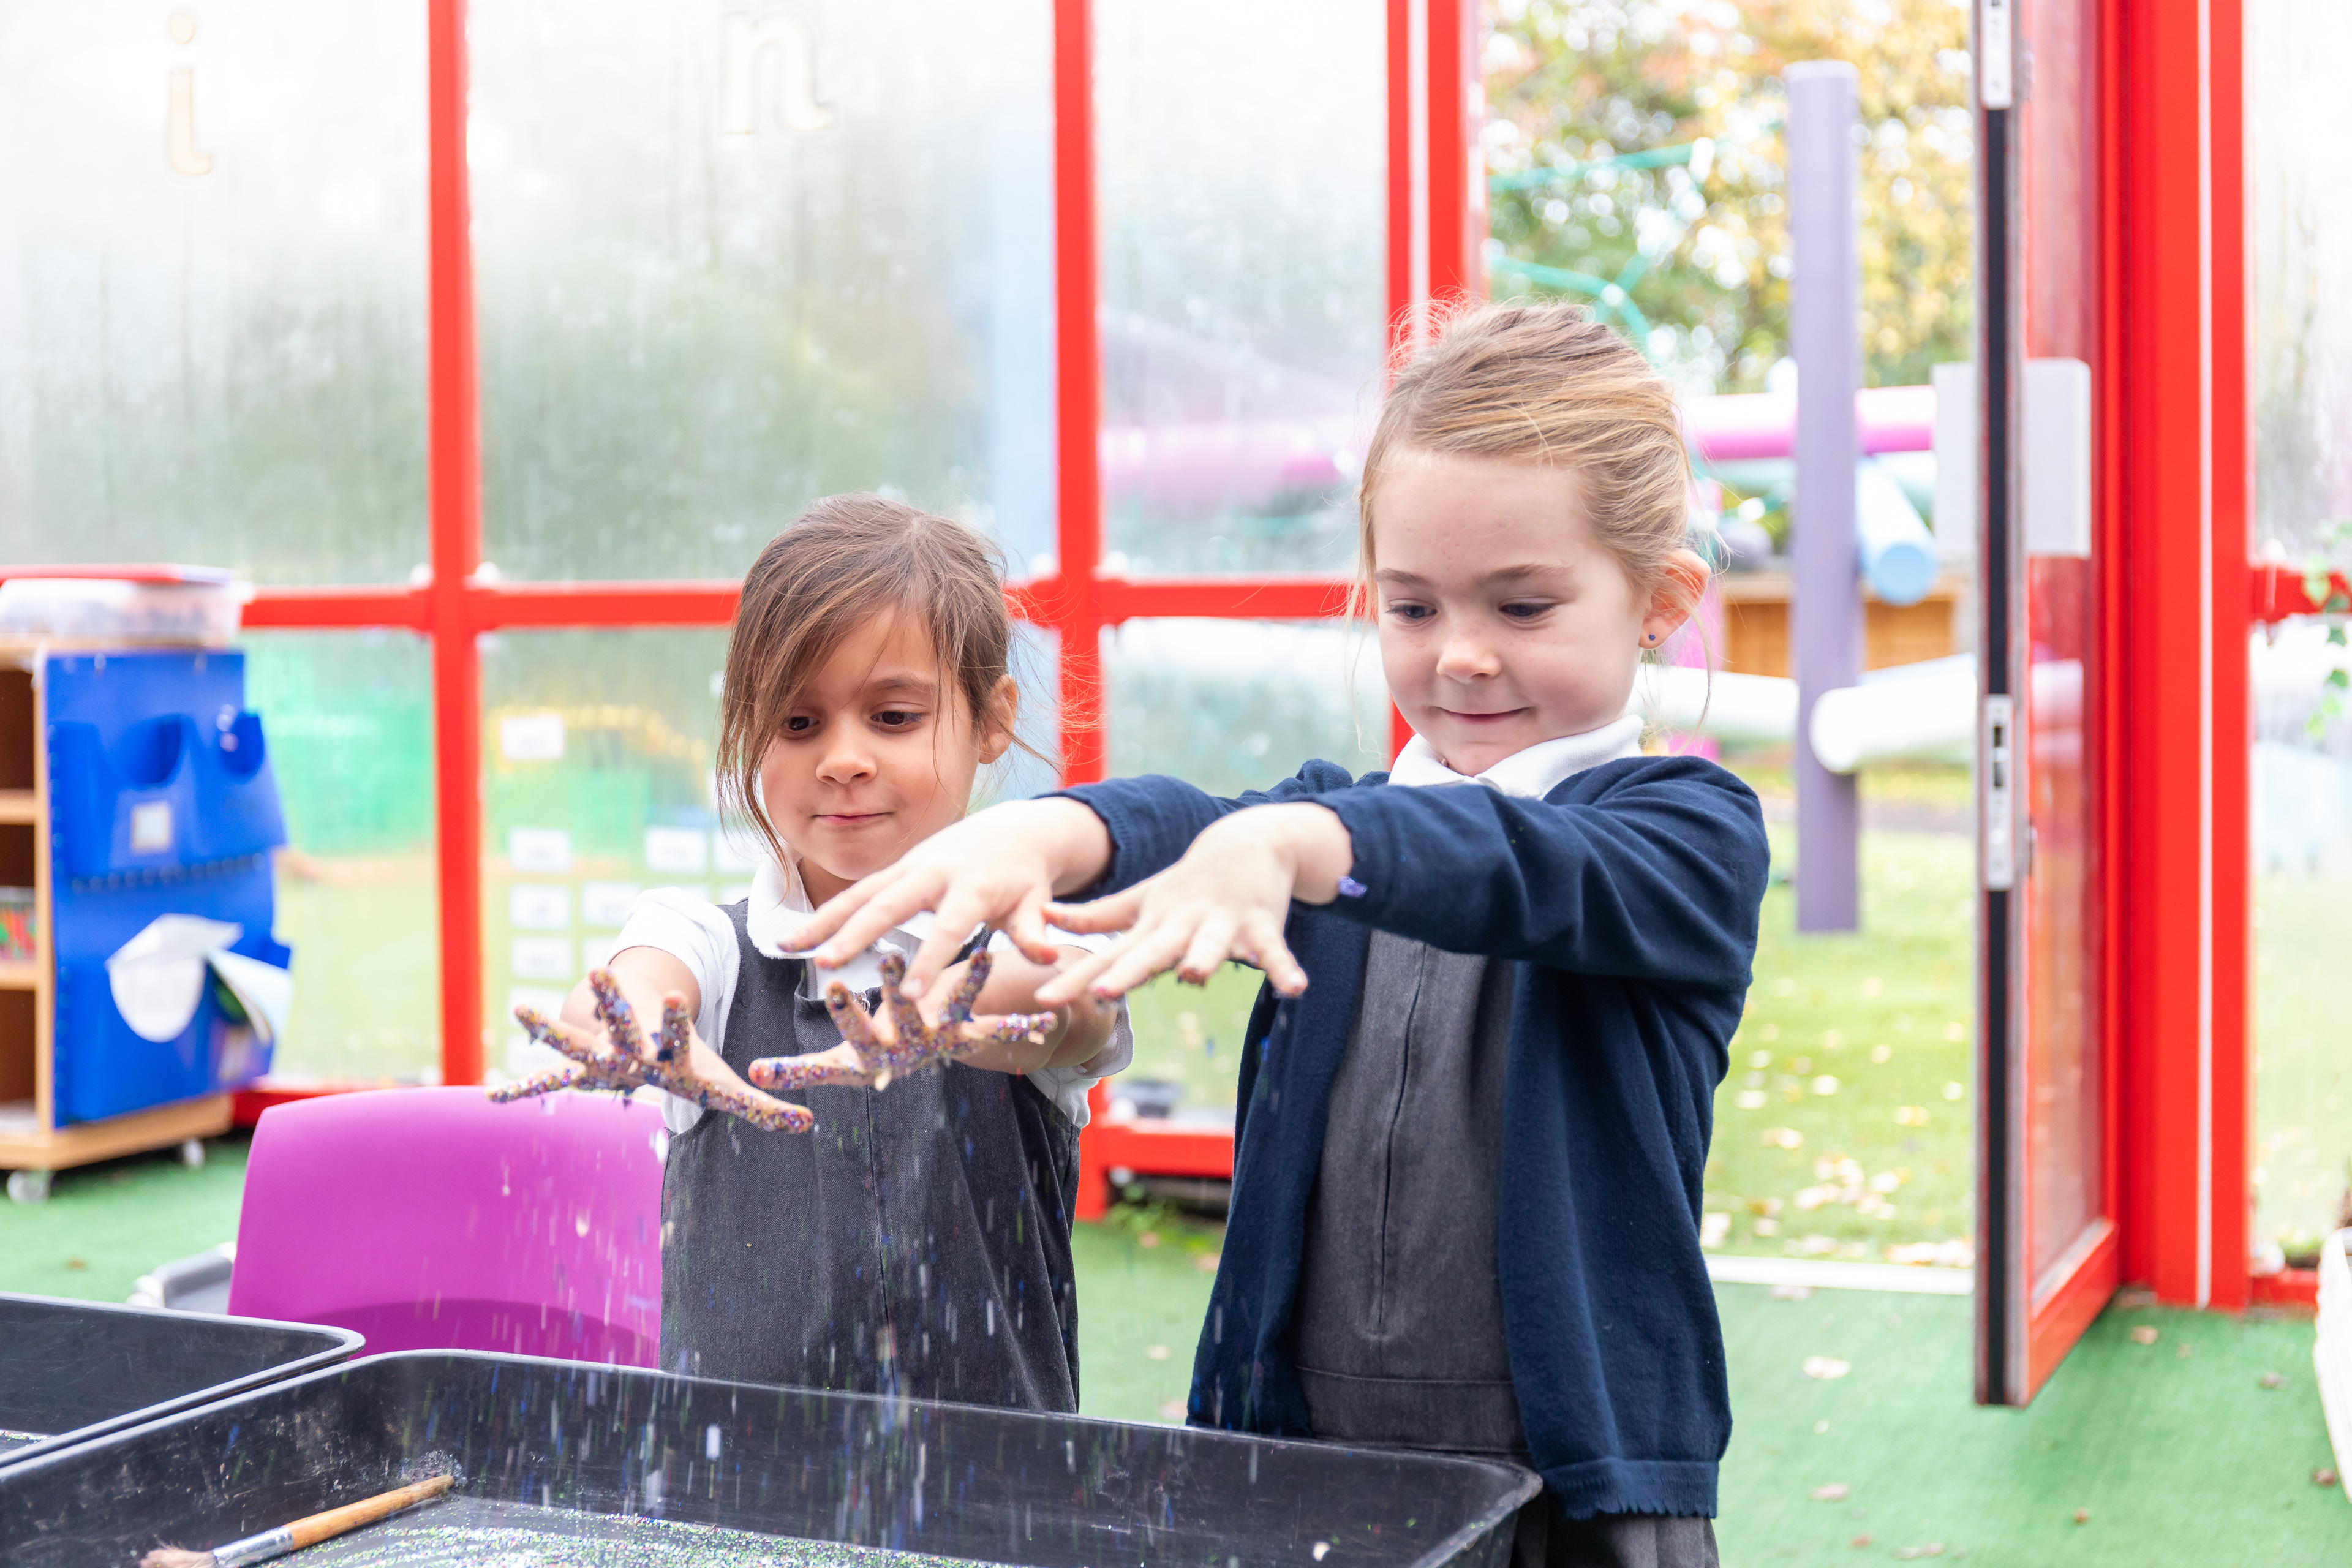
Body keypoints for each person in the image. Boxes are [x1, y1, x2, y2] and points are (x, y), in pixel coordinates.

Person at [785, 304, 1769, 1566]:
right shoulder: (1331, 822)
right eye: (1413, 608)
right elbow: (1193, 822)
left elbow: (1516, 865)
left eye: (1523, 607)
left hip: (1579, 1495)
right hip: (1305, 1469)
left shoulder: (1686, 836)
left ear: (1659, 602)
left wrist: (1302, 843)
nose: (1462, 657)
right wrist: (1049, 832)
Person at [545, 494, 1129, 1413]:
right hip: (732, 1481)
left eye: (893, 716)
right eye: (798, 722)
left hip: (996, 1482)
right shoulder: (711, 944)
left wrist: (953, 1009)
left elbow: (1066, 1002)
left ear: (991, 719)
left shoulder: (1039, 926)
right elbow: (624, 992)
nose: (843, 758)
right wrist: (639, 1034)